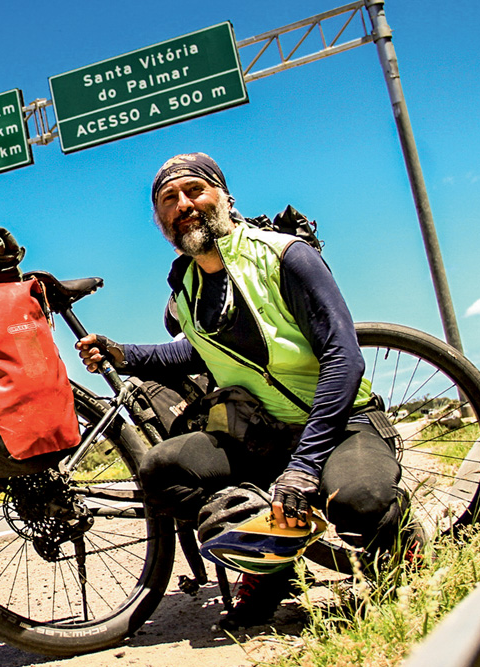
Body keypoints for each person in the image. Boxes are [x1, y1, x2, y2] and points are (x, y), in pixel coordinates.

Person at [76, 153, 414, 631]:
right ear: (160, 221)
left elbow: (345, 357)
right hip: (265, 435)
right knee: (162, 469)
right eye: (168, 200)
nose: (183, 204)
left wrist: (303, 469)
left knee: (358, 500)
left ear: (224, 197)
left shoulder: (285, 256)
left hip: (339, 425)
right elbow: (198, 353)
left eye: (195, 190)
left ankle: (402, 544)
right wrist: (122, 353)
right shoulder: (187, 285)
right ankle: (273, 570)